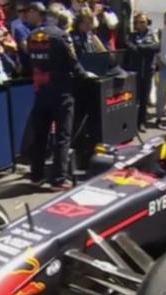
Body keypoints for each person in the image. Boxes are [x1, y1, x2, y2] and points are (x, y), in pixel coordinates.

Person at [24, 5, 95, 189]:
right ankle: (59, 179)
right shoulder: (61, 36)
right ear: (62, 20)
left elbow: (29, 61)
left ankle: (36, 175)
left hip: (41, 90)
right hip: (61, 91)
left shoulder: (32, 35)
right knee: (62, 135)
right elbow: (73, 63)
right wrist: (87, 77)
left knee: (40, 134)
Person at [124, 11, 158, 131]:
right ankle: (130, 123)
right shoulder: (132, 36)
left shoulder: (152, 34)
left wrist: (142, 48)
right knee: (133, 99)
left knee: (144, 99)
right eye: (140, 22)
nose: (143, 24)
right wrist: (142, 49)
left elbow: (156, 47)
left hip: (148, 71)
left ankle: (141, 122)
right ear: (136, 23)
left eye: (145, 22)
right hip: (135, 72)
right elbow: (130, 47)